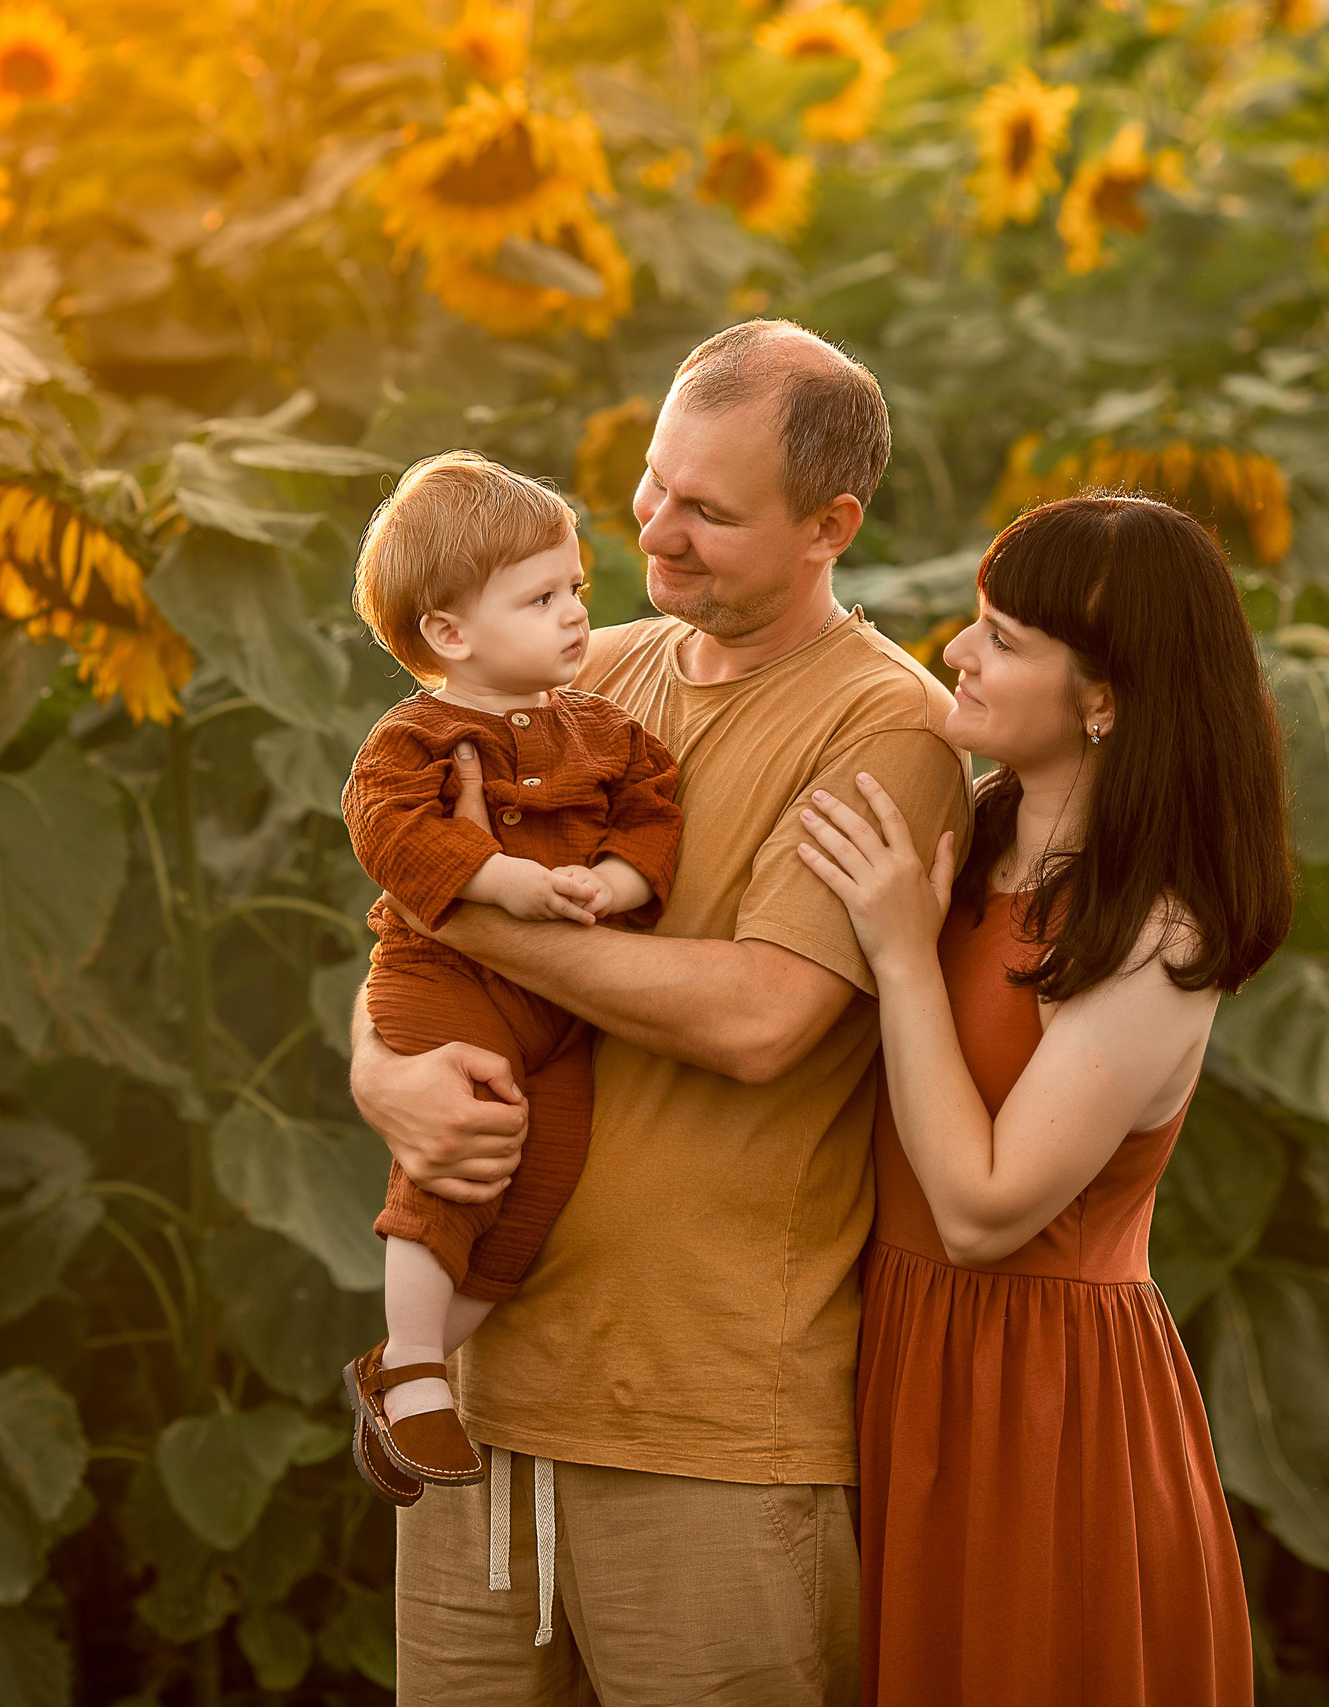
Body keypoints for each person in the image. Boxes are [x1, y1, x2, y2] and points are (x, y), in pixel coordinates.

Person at [350, 319, 971, 1704]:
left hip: (710, 1424)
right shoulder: (581, 672)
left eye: (710, 509)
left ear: (832, 524)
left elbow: (761, 1014)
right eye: (651, 482)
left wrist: (479, 915)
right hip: (481, 1394)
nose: (659, 529)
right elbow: (405, 920)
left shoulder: (886, 729)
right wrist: (381, 1076)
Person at [791, 494, 1292, 1706]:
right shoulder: (979, 836)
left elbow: (982, 1209)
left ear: (1105, 699)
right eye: (978, 618)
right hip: (905, 1363)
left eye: (1004, 637)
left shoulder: (1156, 930)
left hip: (1042, 1413)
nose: (958, 650)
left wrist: (904, 956)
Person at [335, 451, 682, 1502]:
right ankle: (416, 1366)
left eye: (575, 588)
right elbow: (384, 830)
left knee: (536, 1183)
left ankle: (408, 1366)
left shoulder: (603, 727)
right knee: (455, 1167)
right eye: (541, 598)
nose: (577, 613)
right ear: (448, 633)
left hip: (557, 1016)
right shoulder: (416, 737)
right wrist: (500, 881)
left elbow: (654, 808)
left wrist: (620, 886)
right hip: (441, 979)